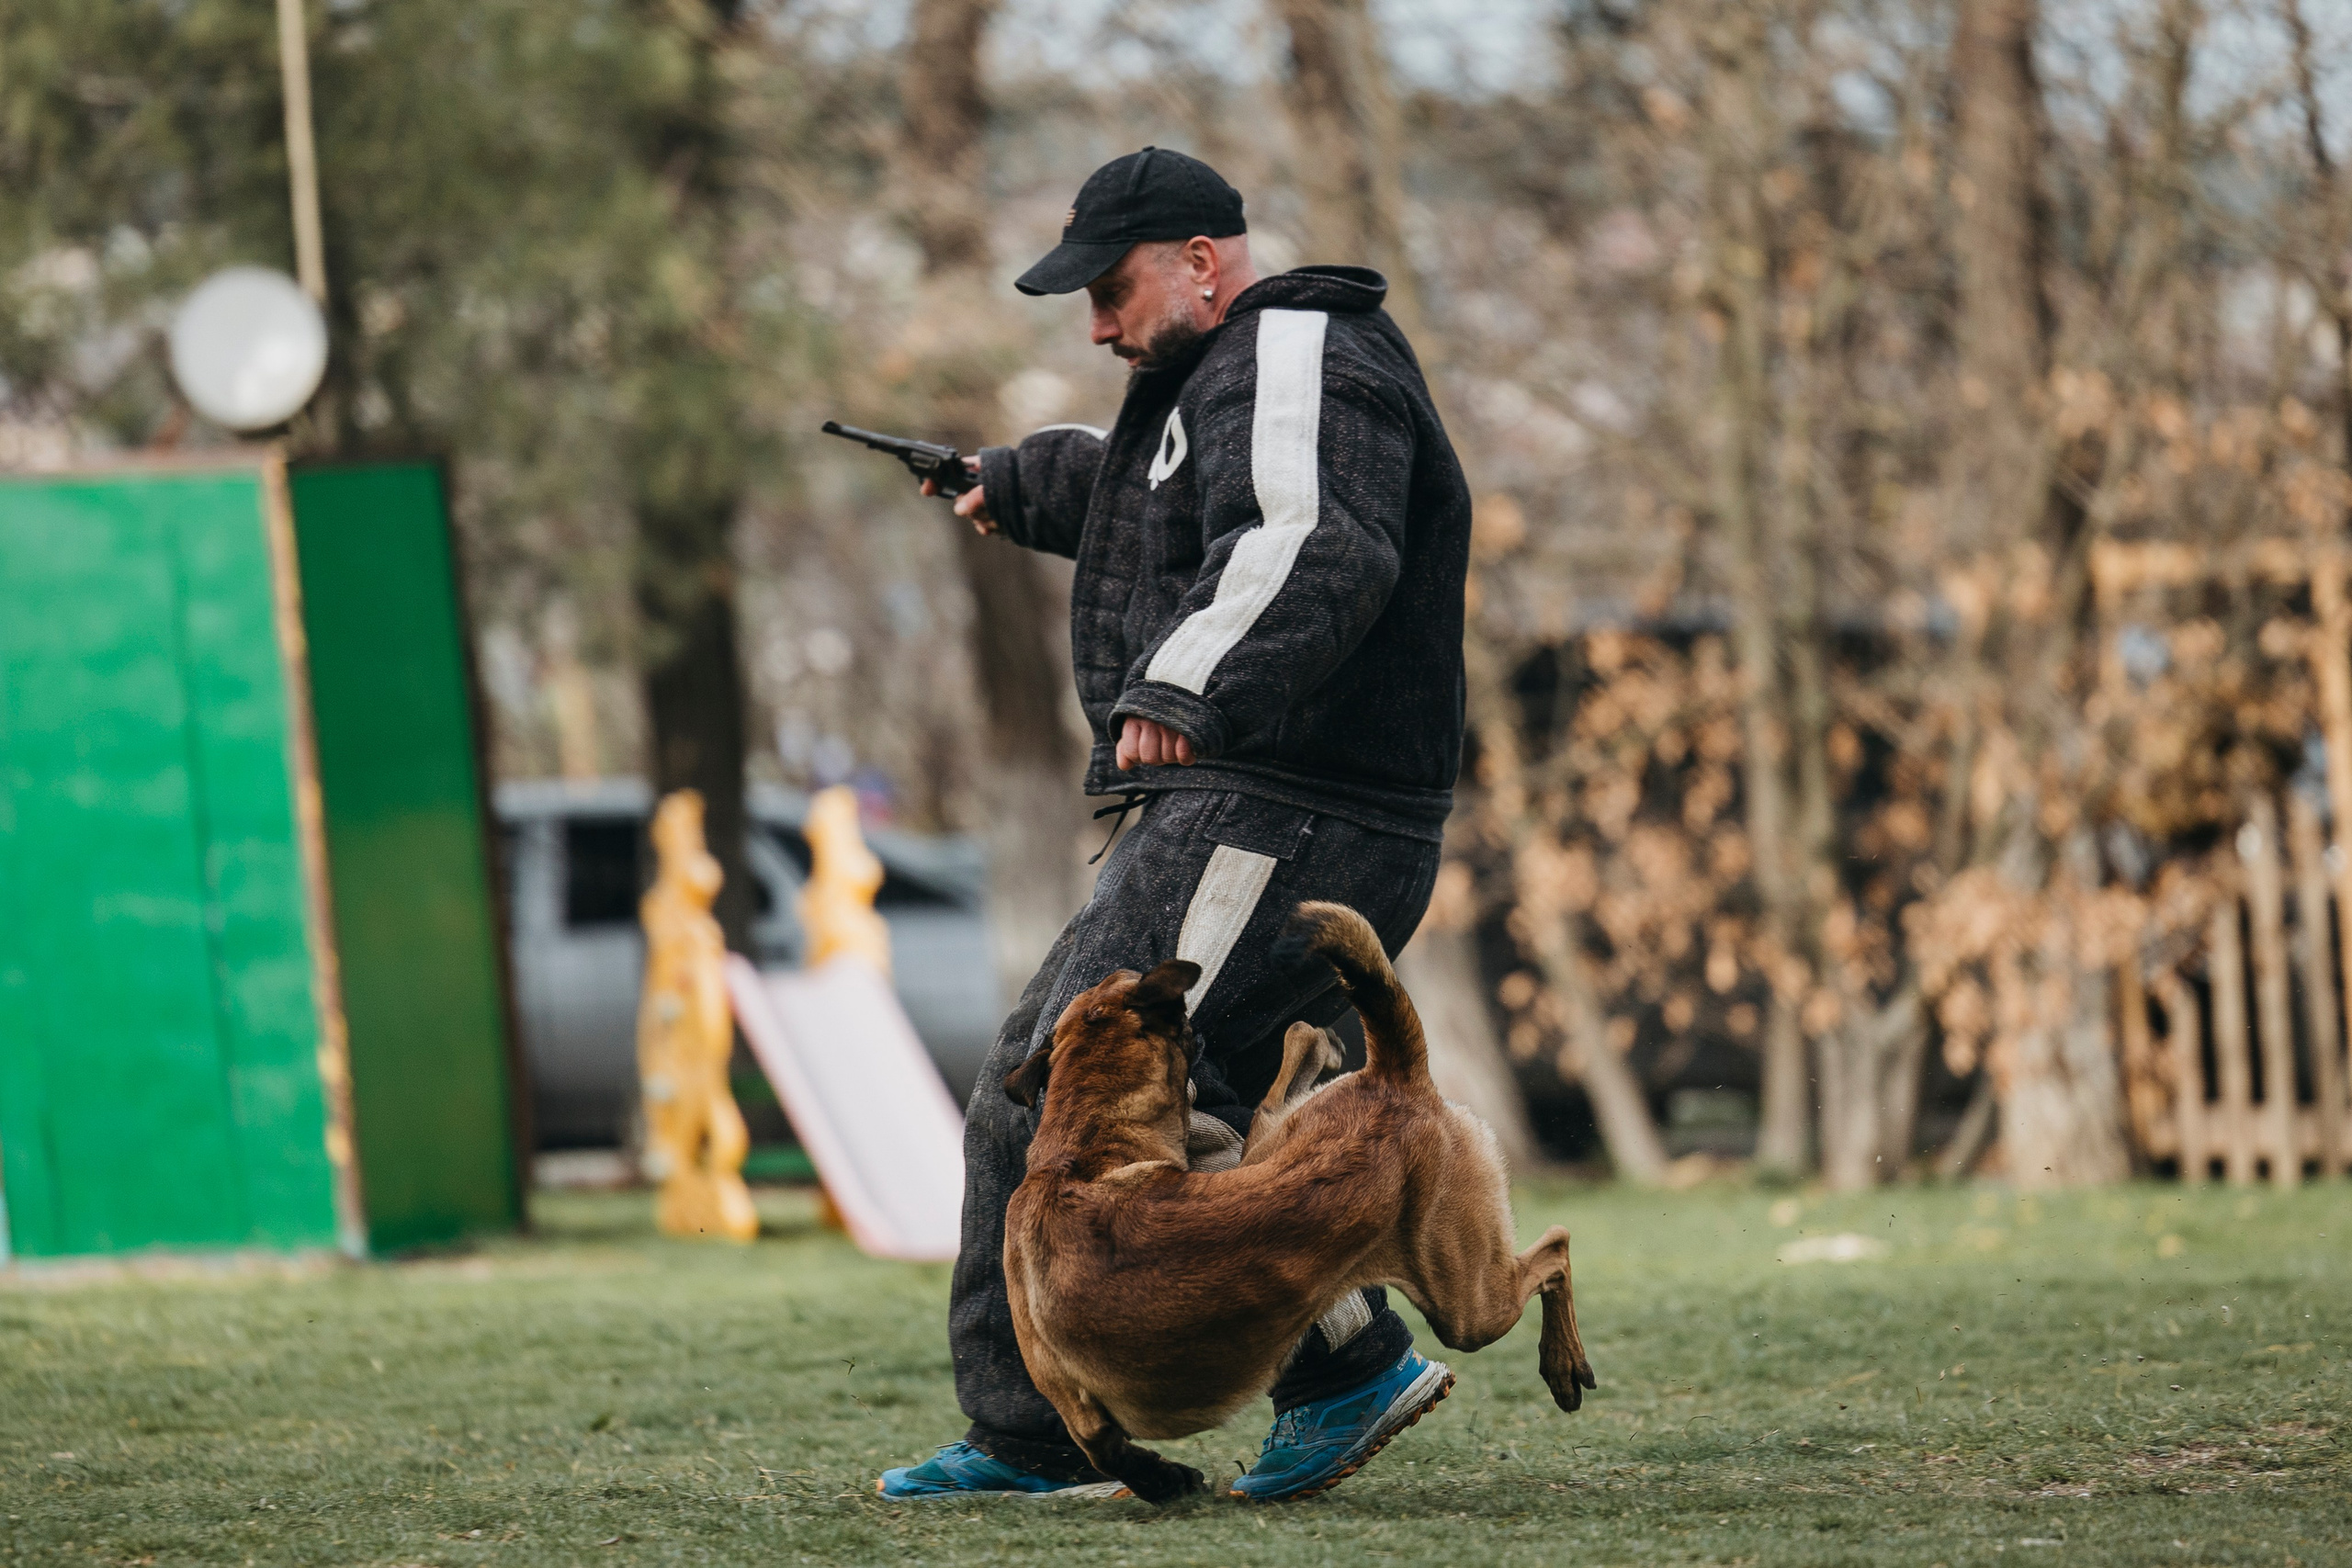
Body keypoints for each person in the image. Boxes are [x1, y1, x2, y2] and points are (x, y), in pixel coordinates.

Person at [878, 146, 1476, 1503]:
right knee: (1170, 1109)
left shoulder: (1301, 350)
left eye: (1111, 288)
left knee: (1054, 1091)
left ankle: (1059, 1434)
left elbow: (1312, 537)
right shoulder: (1224, 379)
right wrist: (1013, 483)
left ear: (1204, 261)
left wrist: (1184, 683)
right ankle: (1326, 1373)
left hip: (1287, 807)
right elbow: (1159, 503)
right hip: (1285, 808)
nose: (1094, 325)